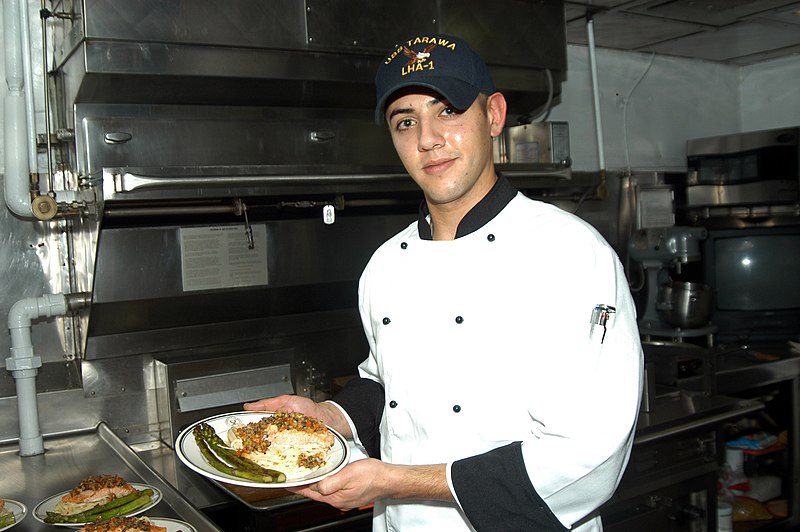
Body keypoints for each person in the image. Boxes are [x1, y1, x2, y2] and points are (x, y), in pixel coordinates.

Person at [245, 33, 643, 531]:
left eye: (448, 110)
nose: (427, 138)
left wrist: (394, 481)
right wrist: (331, 419)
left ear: (494, 116)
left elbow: (589, 455)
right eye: (405, 121)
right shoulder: (386, 264)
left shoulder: (569, 254)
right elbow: (387, 384)